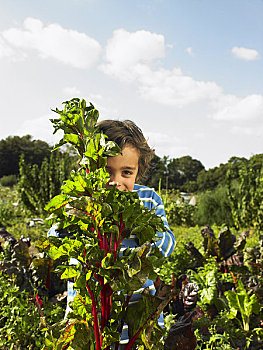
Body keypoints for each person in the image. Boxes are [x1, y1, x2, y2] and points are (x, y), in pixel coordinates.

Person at [48, 119, 176, 349]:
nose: (115, 182)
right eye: (106, 171)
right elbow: (54, 239)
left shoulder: (148, 199)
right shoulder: (81, 202)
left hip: (135, 320)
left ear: (138, 173)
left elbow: (167, 244)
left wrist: (139, 226)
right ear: (89, 169)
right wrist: (73, 216)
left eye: (126, 172)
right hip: (88, 319)